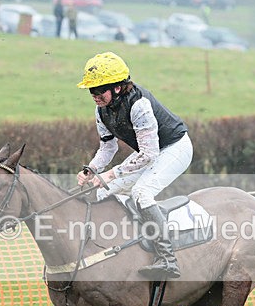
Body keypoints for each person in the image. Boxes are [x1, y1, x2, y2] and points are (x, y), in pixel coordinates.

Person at [76, 52, 193, 279]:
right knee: (103, 191)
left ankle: (168, 260)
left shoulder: (139, 105)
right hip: (150, 151)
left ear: (118, 88)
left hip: (175, 148)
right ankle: (117, 247)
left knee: (141, 193)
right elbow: (108, 148)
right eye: (91, 90)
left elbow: (149, 154)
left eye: (99, 90)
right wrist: (91, 170)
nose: (94, 95)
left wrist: (113, 172)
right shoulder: (102, 110)